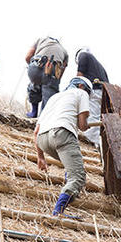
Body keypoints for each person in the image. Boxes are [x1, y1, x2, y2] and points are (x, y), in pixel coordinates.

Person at [34, 76, 91, 217]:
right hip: (62, 134)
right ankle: (58, 212)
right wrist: (87, 124)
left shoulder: (54, 97)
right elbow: (83, 126)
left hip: (43, 139)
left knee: (71, 167)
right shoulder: (81, 93)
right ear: (81, 86)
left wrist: (40, 157)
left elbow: (36, 130)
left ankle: (69, 190)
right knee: (78, 177)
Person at [25, 37, 68, 118]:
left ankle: (33, 112)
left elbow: (28, 57)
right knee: (49, 99)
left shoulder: (41, 40)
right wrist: (52, 83)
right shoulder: (64, 51)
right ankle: (42, 120)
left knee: (34, 86)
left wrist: (33, 70)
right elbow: (61, 73)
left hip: (37, 64)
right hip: (53, 69)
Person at [75, 47, 109, 147]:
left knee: (91, 117)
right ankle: (97, 142)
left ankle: (90, 142)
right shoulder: (100, 67)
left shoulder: (83, 55)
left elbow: (79, 76)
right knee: (97, 117)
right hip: (102, 92)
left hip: (94, 91)